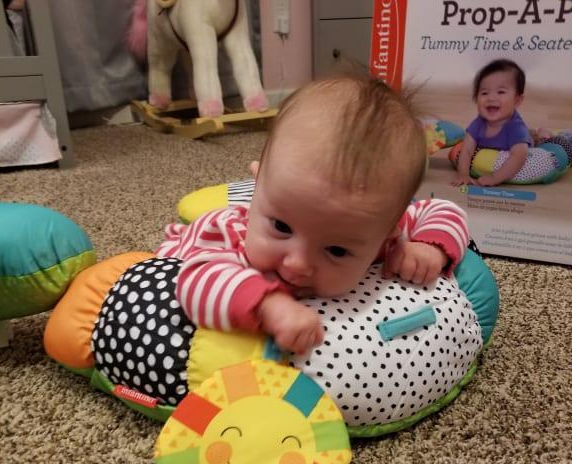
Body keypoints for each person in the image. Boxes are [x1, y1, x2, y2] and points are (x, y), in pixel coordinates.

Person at [157, 72, 469, 355]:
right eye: (281, 226)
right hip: (192, 249)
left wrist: (430, 247)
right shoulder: (227, 236)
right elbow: (196, 282)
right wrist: (270, 307)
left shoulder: (382, 230)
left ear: (386, 232)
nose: (298, 264)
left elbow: (444, 210)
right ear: (258, 181)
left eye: (336, 250)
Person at [452, 58, 533, 187]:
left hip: (523, 143)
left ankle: (541, 135)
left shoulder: (516, 128)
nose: (491, 98)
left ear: (517, 100)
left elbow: (519, 156)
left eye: (501, 92)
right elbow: (466, 150)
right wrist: (463, 174)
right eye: (484, 93)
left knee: (537, 139)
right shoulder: (478, 124)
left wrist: (495, 178)